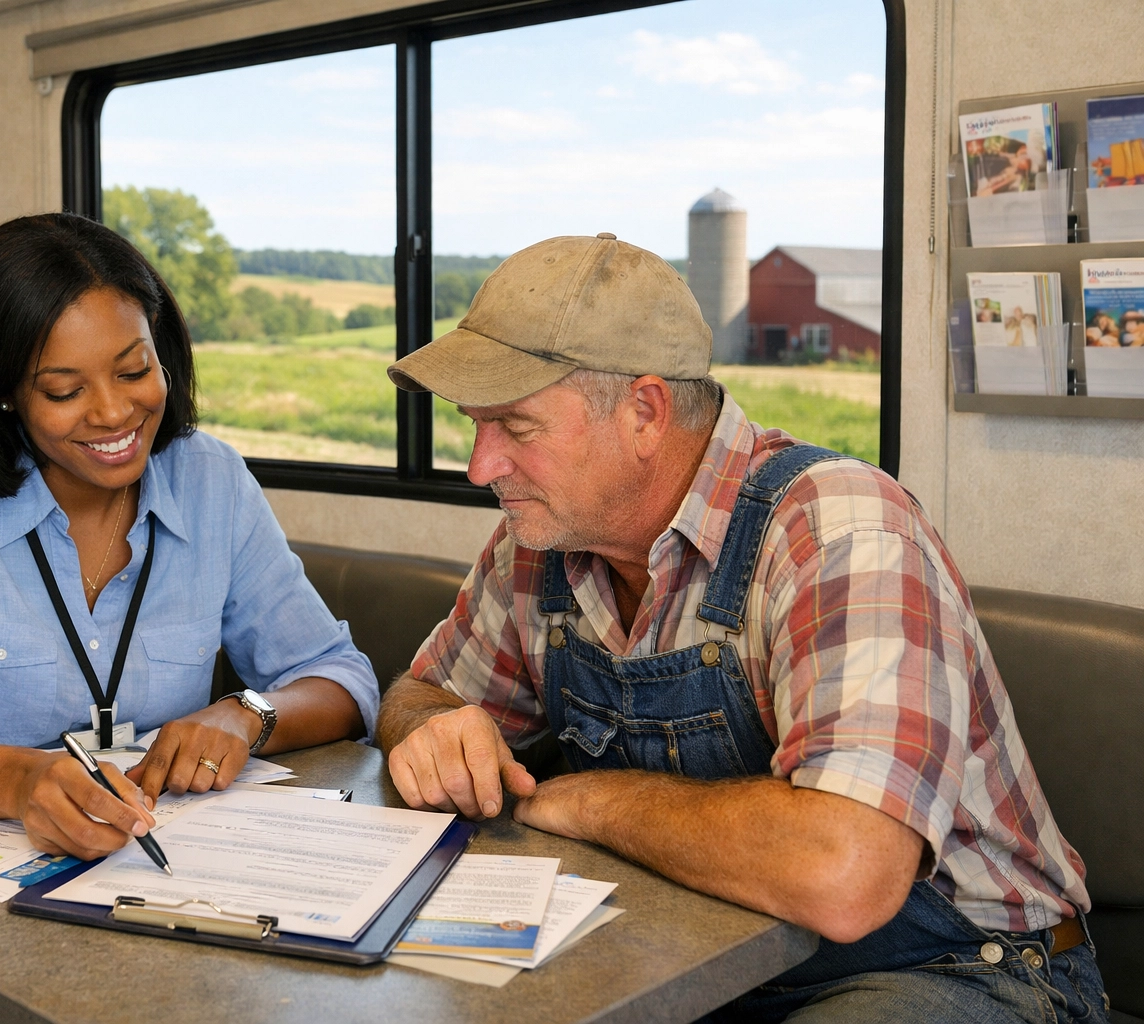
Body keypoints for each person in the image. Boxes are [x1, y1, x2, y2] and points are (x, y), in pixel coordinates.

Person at [377, 233, 1108, 1022]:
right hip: (703, 958)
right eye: (473, 426)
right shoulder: (543, 541)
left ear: (645, 412)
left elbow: (846, 872)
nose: (480, 467)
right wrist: (434, 727)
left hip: (965, 970)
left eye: (516, 429)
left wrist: (589, 803)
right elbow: (421, 691)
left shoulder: (840, 534)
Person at [0, 213, 377, 1023]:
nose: (114, 415)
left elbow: (338, 676)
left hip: (129, 876)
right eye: (63, 390)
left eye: (135, 371)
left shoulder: (211, 479)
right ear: (3, 391)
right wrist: (20, 782)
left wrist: (248, 714)